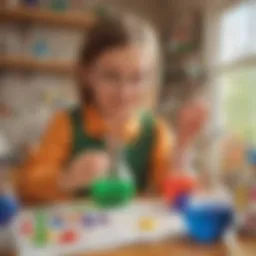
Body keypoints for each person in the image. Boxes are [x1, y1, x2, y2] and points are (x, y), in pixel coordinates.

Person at [13, 12, 207, 204]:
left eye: (137, 78)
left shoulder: (156, 131)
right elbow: (27, 186)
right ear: (87, 75)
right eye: (111, 76)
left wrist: (182, 146)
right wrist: (67, 178)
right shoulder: (66, 124)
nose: (124, 92)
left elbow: (171, 192)